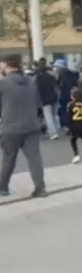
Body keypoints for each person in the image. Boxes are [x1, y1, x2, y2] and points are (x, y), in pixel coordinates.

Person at [0, 56, 47, 198]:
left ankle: (3, 188)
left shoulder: (3, 83)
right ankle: (40, 188)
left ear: (6, 66)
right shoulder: (32, 82)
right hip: (32, 125)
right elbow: (38, 103)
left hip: (10, 127)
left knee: (9, 158)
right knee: (34, 157)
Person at [34, 60, 61, 140]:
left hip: (44, 99)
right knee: (54, 115)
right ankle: (57, 130)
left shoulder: (36, 78)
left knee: (48, 116)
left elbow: (35, 90)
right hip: (53, 97)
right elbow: (56, 87)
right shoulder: (50, 76)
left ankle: (52, 133)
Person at [66, 89, 82, 164]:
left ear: (73, 97)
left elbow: (68, 116)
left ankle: (76, 154)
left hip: (74, 125)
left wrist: (68, 125)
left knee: (73, 140)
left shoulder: (71, 105)